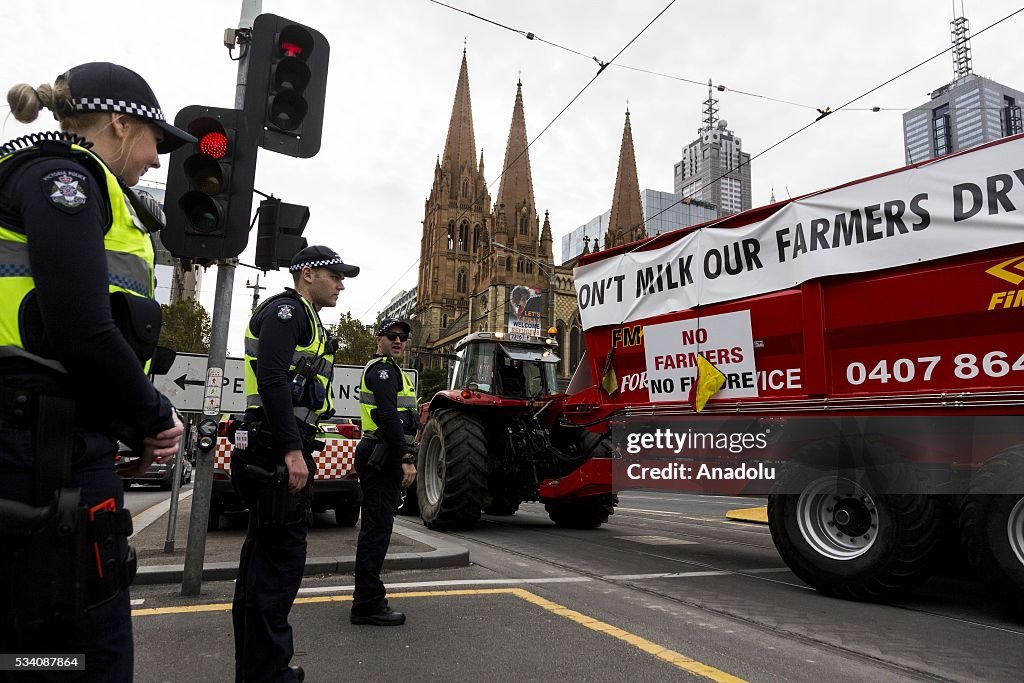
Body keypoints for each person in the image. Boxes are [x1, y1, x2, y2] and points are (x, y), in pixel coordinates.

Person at [0, 62, 187, 680]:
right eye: (156, 141)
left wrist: (121, 425)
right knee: (81, 646)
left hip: (48, 439)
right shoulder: (64, 179)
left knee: (42, 641)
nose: (157, 161)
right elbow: (79, 328)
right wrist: (155, 419)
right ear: (119, 122)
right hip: (38, 448)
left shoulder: (54, 176)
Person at [231, 245, 358, 683]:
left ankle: (255, 670)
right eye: (335, 275)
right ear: (307, 274)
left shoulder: (309, 319)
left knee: (261, 567)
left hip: (271, 444)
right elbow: (271, 377)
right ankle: (268, 673)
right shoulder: (288, 312)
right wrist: (291, 449)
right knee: (279, 567)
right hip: (273, 449)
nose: (341, 284)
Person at [351, 318, 417, 626]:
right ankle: (367, 603)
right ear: (378, 339)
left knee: (377, 528)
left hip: (381, 453)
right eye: (391, 336)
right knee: (376, 531)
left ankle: (367, 598)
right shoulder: (383, 370)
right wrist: (406, 456)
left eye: (402, 337)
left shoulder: (393, 371)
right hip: (382, 454)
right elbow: (389, 415)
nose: (398, 340)